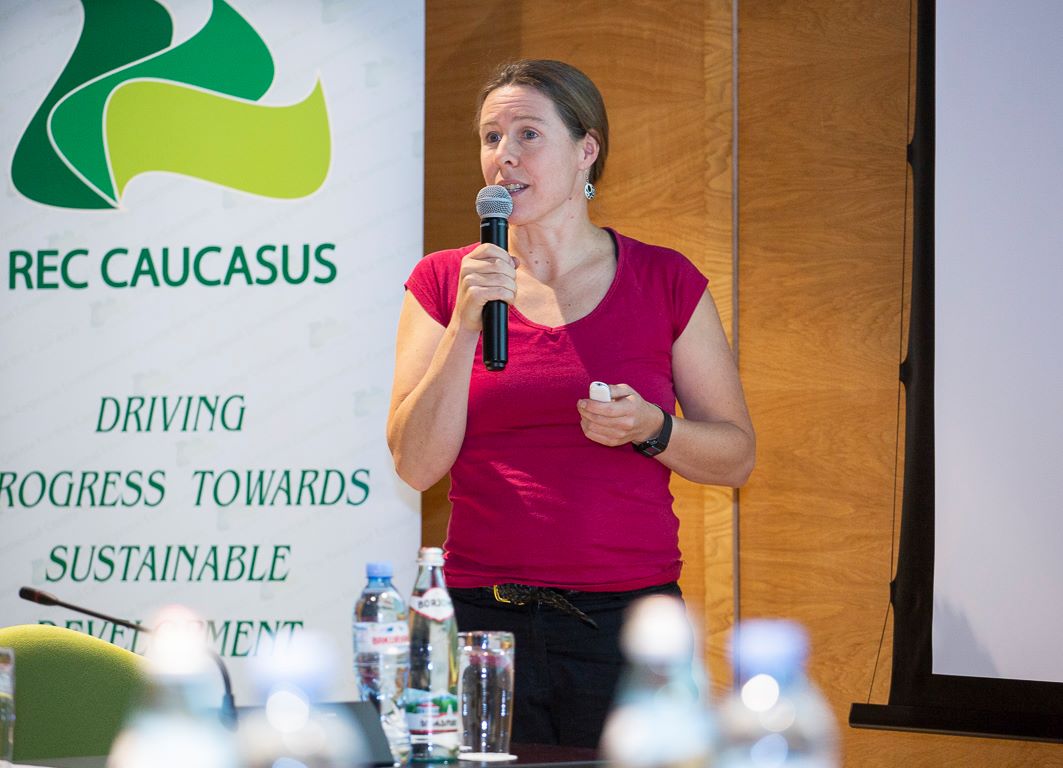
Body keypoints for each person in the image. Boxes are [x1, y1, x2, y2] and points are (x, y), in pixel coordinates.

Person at [387, 59, 754, 748]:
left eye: (528, 134)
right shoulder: (445, 281)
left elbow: (735, 457)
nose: (504, 155)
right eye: (491, 136)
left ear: (587, 150)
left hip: (624, 628)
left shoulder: (665, 280)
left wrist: (653, 429)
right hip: (481, 626)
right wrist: (464, 325)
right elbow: (414, 464)